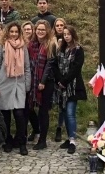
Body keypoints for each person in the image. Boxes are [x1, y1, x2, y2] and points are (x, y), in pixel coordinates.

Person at [0, 21, 31, 155]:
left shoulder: (23, 46)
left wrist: (27, 85)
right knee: (6, 115)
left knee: (20, 114)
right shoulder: (0, 46)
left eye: (16, 32)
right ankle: (7, 140)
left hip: (19, 83)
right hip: (4, 83)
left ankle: (21, 141)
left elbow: (26, 67)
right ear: (7, 32)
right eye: (11, 31)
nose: (14, 34)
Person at [53, 24, 85, 154]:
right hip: (61, 87)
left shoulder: (78, 49)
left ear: (73, 35)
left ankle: (73, 140)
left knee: (70, 113)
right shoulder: (60, 49)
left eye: (68, 34)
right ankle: (68, 136)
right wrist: (59, 80)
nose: (66, 37)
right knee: (64, 112)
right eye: (64, 34)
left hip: (72, 86)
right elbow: (55, 64)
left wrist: (65, 81)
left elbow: (76, 68)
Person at [27, 19, 55, 150]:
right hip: (32, 81)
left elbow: (49, 65)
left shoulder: (50, 44)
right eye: (38, 29)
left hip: (46, 82)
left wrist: (42, 82)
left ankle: (42, 140)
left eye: (43, 30)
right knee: (29, 108)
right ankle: (36, 130)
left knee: (43, 111)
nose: (40, 32)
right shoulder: (31, 44)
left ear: (47, 31)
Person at [51, 17, 66, 142]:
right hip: (52, 74)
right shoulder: (51, 40)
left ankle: (59, 127)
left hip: (65, 76)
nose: (59, 27)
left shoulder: (68, 39)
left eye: (62, 25)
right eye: (57, 25)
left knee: (63, 104)